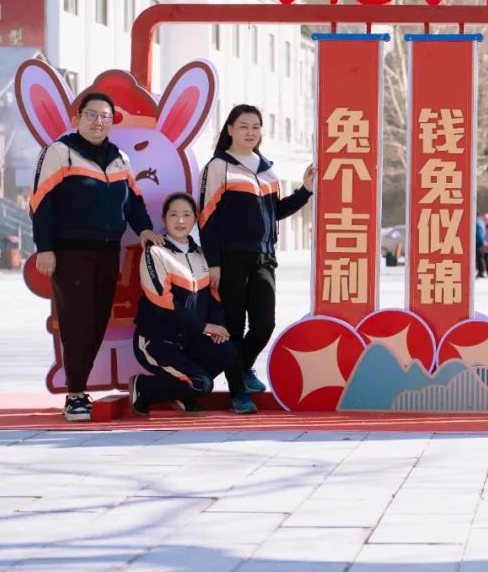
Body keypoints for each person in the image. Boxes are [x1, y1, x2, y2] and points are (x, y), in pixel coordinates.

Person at [29, 90, 162, 422]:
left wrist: (145, 229)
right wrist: (44, 247)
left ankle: (79, 387)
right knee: (78, 322)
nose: (98, 122)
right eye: (92, 115)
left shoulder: (120, 158)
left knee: (98, 321)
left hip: (107, 251)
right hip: (70, 252)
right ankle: (75, 396)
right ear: (78, 118)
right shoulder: (59, 152)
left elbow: (133, 200)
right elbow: (41, 202)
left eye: (105, 117)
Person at [199, 105, 314, 414]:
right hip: (230, 258)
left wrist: (305, 191)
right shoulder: (218, 167)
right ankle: (238, 393)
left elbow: (276, 211)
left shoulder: (267, 169)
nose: (250, 132)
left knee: (264, 324)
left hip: (264, 256)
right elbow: (206, 219)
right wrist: (214, 262)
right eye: (244, 126)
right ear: (230, 129)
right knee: (234, 327)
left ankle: (242, 367)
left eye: (256, 127)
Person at [130, 193, 238, 416]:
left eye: (187, 215)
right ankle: (143, 387)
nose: (180, 221)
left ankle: (184, 391)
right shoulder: (155, 252)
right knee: (203, 384)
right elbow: (163, 303)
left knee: (227, 352)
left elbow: (213, 298)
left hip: (189, 340)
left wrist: (217, 327)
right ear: (164, 218)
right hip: (156, 341)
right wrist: (204, 327)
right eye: (174, 215)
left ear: (195, 219)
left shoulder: (201, 254)